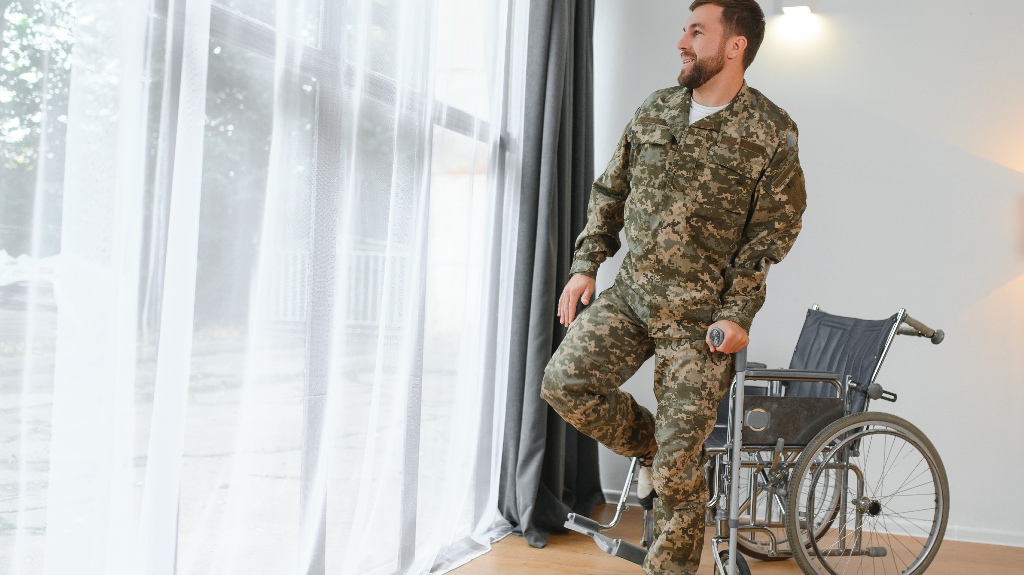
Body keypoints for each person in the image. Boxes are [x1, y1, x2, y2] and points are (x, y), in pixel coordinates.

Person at [539, 1, 807, 573]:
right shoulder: (655, 110)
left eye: (696, 31)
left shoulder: (771, 132)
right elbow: (610, 191)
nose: (682, 42)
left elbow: (769, 235)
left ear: (734, 46)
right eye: (685, 30)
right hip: (633, 295)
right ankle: (656, 446)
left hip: (701, 319)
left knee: (682, 474)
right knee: (566, 382)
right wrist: (586, 262)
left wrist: (738, 313)